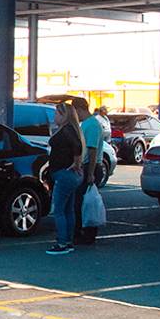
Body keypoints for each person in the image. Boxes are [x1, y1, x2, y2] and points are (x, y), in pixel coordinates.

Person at [44, 103, 85, 255]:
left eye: (57, 114)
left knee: (60, 209)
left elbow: (78, 146)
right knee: (68, 209)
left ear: (64, 115)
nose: (55, 117)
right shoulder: (71, 129)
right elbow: (78, 145)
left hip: (63, 174)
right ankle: (68, 241)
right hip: (69, 175)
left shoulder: (67, 130)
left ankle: (62, 242)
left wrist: (76, 162)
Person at [75, 98, 104, 245]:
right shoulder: (89, 124)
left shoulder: (91, 125)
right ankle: (85, 232)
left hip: (90, 167)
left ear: (79, 109)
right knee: (84, 201)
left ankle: (87, 234)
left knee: (84, 202)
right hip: (88, 166)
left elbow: (92, 150)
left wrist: (91, 173)